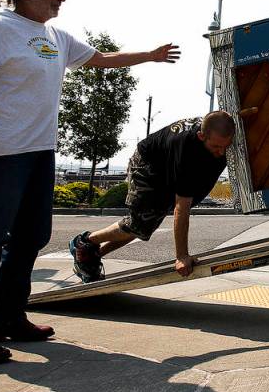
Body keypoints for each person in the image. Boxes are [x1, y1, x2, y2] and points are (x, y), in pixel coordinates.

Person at [0, 0, 180, 366]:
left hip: (39, 154)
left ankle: (7, 317)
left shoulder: (54, 36)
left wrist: (150, 56)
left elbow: (102, 58)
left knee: (31, 236)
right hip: (0, 156)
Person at [68, 112, 234, 284]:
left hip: (165, 171)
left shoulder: (220, 128)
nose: (221, 152)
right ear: (201, 136)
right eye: (216, 147)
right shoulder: (187, 150)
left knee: (146, 227)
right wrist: (182, 256)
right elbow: (181, 208)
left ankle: (90, 255)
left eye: (226, 146)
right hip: (147, 165)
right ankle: (84, 242)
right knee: (140, 223)